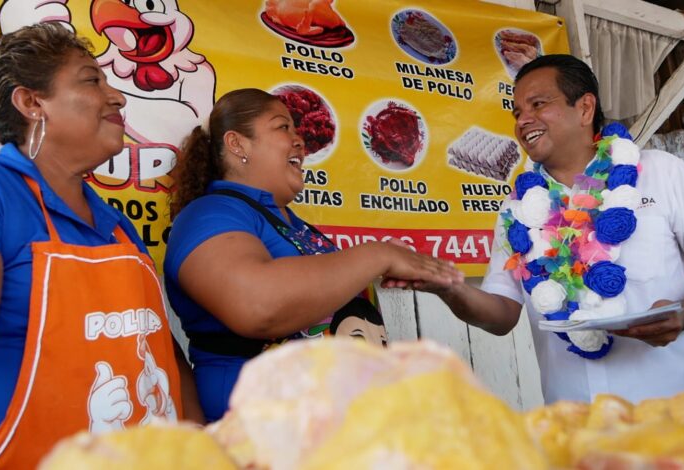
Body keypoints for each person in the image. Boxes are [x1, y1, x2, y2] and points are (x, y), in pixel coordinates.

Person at [0, 23, 201, 469]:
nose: (117, 97)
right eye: (91, 79)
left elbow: (162, 350)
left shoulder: (117, 225)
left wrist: (201, 447)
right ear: (31, 103)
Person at [399, 54, 684, 404]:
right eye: (517, 112)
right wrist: (449, 288)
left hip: (678, 420)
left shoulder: (660, 172)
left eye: (538, 104)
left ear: (584, 108)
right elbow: (502, 313)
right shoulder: (518, 209)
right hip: (576, 429)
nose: (523, 121)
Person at [164, 88, 462, 422]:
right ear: (238, 144)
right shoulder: (208, 214)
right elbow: (256, 305)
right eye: (283, 127)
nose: (300, 140)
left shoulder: (296, 227)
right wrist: (375, 256)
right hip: (261, 434)